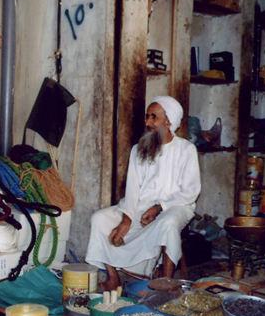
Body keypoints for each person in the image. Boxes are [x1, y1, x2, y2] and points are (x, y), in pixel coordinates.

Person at [86, 96, 201, 291]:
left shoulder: (186, 150)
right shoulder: (138, 149)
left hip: (177, 206)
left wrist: (159, 207)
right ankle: (113, 278)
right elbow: (132, 190)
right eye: (147, 116)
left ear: (168, 121)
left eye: (153, 117)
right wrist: (127, 218)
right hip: (141, 205)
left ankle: (165, 284)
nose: (148, 122)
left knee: (169, 222)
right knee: (100, 218)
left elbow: (190, 192)